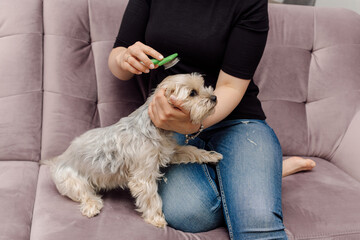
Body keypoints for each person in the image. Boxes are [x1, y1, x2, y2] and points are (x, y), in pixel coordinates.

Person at [108, 0, 315, 239]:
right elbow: (118, 55)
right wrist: (124, 59)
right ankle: (257, 175)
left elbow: (230, 86)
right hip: (169, 125)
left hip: (237, 121)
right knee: (193, 214)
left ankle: (255, 174)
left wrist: (195, 122)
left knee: (256, 217)